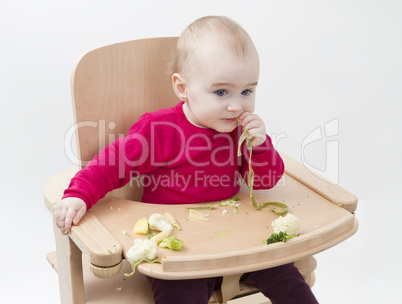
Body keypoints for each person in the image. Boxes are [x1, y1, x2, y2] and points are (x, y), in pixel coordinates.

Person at [55, 16, 318, 304]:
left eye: (247, 91)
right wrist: (79, 194)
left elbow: (266, 181)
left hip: (240, 240)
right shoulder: (160, 131)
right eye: (221, 92)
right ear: (182, 88)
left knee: (291, 283)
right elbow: (112, 164)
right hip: (179, 251)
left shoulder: (240, 130)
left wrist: (260, 146)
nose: (236, 105)